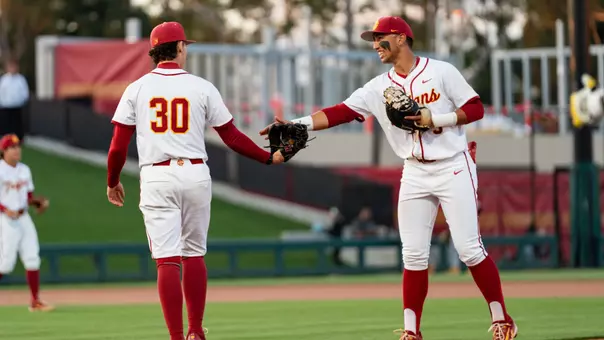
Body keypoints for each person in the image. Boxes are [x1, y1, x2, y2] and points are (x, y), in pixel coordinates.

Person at [260, 16, 517, 340]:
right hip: (414, 169)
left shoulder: (440, 71)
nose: (374, 45)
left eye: (380, 38)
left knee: (468, 249)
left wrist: (436, 117)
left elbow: (476, 108)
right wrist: (295, 124)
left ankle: (501, 319)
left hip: (452, 164)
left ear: (400, 37)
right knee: (412, 254)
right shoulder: (378, 87)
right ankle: (411, 331)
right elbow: (340, 111)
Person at [105, 22, 287, 340]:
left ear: (154, 51)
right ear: (179, 48)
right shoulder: (201, 87)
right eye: (185, 45)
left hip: (157, 175)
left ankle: (176, 337)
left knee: (167, 260)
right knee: (193, 254)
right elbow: (230, 136)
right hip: (195, 173)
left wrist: (113, 181)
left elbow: (118, 146)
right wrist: (267, 157)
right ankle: (195, 332)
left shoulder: (136, 88)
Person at [0, 134, 52, 312]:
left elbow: (28, 196)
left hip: (23, 218)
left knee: (32, 258)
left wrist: (39, 202)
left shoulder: (24, 169)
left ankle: (35, 301)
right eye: (12, 147)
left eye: (18, 147)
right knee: (5, 264)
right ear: (4, 151)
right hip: (6, 220)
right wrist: (4, 209)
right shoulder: (0, 170)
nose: (17, 150)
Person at [0, 59, 29, 140]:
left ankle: (18, 139)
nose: (12, 68)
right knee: (6, 125)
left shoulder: (21, 79)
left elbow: (24, 92)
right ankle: (6, 140)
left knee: (16, 125)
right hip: (5, 106)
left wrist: (21, 101)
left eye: (14, 67)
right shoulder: (4, 79)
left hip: (17, 106)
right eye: (10, 67)